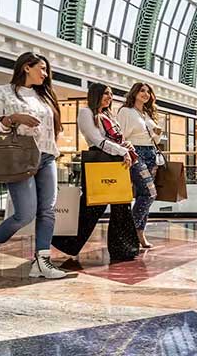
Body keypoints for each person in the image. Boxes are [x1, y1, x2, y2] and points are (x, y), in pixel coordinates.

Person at [0, 52, 66, 279]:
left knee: (47, 211)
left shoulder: (44, 96)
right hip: (19, 157)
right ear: (27, 67)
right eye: (42, 69)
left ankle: (42, 262)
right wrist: (13, 118)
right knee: (25, 214)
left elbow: (53, 129)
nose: (45, 74)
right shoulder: (1, 94)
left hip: (46, 157)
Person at [52, 83, 138, 262]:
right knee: (92, 206)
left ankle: (124, 249)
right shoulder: (86, 113)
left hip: (117, 162)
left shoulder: (109, 115)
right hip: (98, 162)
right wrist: (122, 151)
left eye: (111, 94)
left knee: (122, 205)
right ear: (95, 95)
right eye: (106, 94)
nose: (109, 97)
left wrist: (127, 146)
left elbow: (116, 138)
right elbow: (96, 139)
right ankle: (65, 243)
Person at [116, 83, 163, 249]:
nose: (146, 94)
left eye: (148, 92)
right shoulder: (125, 111)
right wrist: (125, 152)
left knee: (145, 195)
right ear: (134, 93)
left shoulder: (148, 114)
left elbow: (154, 141)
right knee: (150, 193)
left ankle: (140, 234)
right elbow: (120, 135)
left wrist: (158, 134)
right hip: (135, 153)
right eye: (142, 91)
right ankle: (129, 232)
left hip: (150, 153)